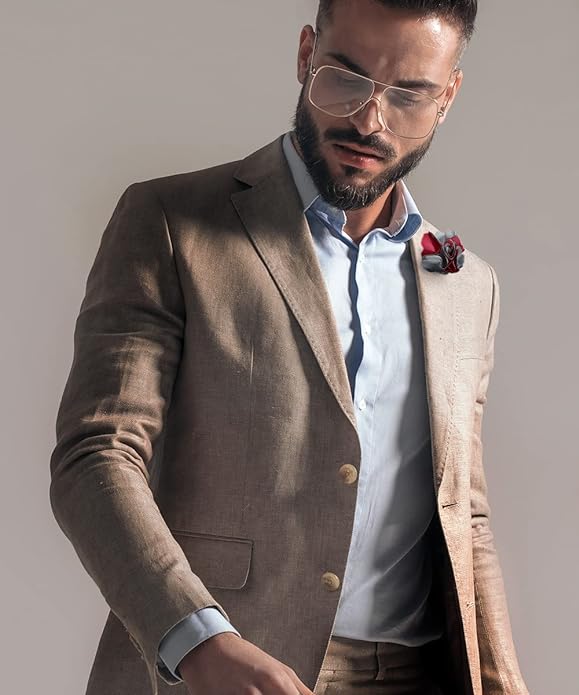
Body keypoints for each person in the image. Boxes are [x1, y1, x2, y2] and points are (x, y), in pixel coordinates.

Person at [49, 1, 530, 694]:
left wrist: (502, 680)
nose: (370, 120)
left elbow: (465, 512)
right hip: (222, 669)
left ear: (447, 96)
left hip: (420, 672)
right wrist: (199, 642)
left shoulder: (466, 282)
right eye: (347, 78)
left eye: (408, 94)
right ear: (306, 54)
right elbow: (97, 455)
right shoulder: (173, 223)